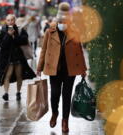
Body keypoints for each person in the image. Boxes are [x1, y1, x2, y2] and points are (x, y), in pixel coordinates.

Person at [37, 2, 87, 133]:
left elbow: (79, 51)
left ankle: (65, 121)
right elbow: (43, 50)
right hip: (54, 68)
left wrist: (83, 69)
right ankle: (55, 113)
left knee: (66, 95)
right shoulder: (50, 31)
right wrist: (39, 68)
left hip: (70, 69)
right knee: (54, 94)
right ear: (58, 19)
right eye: (61, 19)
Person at [0, 14, 36, 101]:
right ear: (6, 21)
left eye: (12, 20)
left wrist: (14, 36)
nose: (10, 22)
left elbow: (24, 40)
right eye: (8, 20)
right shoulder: (3, 31)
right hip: (8, 58)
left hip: (18, 57)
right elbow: (2, 45)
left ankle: (18, 92)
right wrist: (8, 35)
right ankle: (6, 93)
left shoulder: (20, 30)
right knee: (7, 75)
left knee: (19, 75)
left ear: (15, 21)